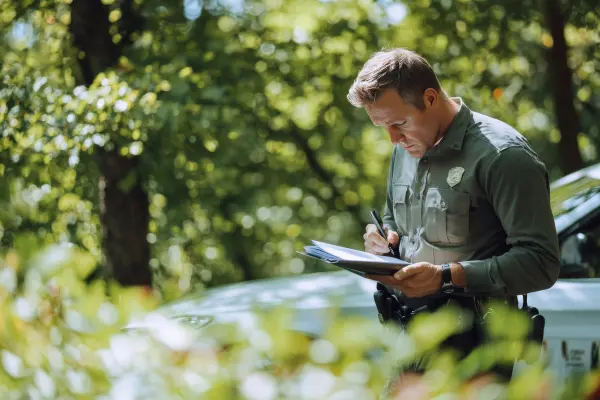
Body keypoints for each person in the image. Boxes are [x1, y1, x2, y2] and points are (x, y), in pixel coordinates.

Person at [346, 48, 561, 394]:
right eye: (383, 127)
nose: (393, 140)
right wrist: (383, 238)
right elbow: (394, 220)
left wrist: (446, 277)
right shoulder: (405, 148)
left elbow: (542, 262)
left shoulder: (503, 157)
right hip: (408, 342)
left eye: (399, 124)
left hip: (475, 352)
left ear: (430, 98)